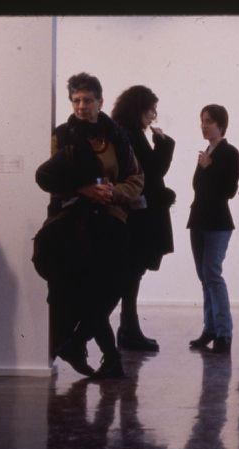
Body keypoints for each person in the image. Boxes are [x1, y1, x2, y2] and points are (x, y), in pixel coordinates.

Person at [35, 72, 144, 378]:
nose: (81, 106)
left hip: (112, 220)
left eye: (87, 100)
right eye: (76, 100)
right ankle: (108, 357)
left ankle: (80, 345)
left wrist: (113, 192)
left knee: (112, 288)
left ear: (100, 101)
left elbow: (136, 178)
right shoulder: (63, 136)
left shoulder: (117, 136)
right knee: (87, 292)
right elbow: (50, 178)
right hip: (74, 224)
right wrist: (84, 189)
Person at [111, 85, 176, 352]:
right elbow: (152, 171)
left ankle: (129, 329)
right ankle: (128, 330)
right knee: (132, 273)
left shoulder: (128, 133)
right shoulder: (130, 135)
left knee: (133, 273)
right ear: (139, 108)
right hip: (140, 215)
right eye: (151, 110)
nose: (153, 116)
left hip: (140, 212)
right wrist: (165, 144)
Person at [187, 104, 239, 354]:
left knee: (212, 275)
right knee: (205, 277)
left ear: (221, 124)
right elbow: (198, 187)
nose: (204, 125)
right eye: (202, 120)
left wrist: (210, 168)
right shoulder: (207, 151)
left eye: (208, 121)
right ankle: (210, 329)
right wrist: (207, 168)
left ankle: (224, 334)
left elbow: (228, 190)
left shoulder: (229, 153)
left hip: (218, 222)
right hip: (199, 221)